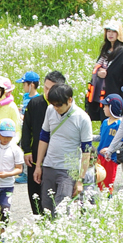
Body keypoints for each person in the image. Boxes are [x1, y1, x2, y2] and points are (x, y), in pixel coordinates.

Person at [34, 82, 93, 215]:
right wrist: (38, 165)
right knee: (47, 207)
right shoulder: (50, 110)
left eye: (59, 105)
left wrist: (80, 180)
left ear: (70, 100)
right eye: (53, 104)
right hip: (49, 165)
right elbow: (44, 137)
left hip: (68, 169)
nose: (56, 108)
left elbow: (86, 150)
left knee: (62, 208)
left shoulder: (82, 118)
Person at [22, 70, 63, 216]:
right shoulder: (35, 103)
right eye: (45, 88)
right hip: (35, 156)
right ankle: (38, 217)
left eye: (51, 89)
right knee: (35, 189)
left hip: (56, 157)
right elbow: (26, 128)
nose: (47, 92)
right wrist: (26, 150)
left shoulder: (64, 106)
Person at [85, 20, 123, 124]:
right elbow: (97, 66)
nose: (110, 34)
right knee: (103, 121)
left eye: (114, 31)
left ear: (118, 34)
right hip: (100, 92)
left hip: (111, 93)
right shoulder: (105, 49)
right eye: (108, 31)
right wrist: (98, 72)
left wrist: (106, 74)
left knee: (110, 122)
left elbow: (119, 75)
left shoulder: (122, 52)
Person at [0, 119, 23, 221]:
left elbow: (19, 169)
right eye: (4, 136)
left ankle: (3, 233)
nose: (6, 139)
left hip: (7, 185)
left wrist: (8, 174)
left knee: (5, 210)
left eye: (9, 137)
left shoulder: (16, 149)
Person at [95, 94, 122, 192]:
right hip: (100, 156)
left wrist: (110, 149)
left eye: (106, 106)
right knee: (98, 179)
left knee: (108, 182)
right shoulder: (105, 122)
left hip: (110, 158)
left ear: (112, 108)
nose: (103, 108)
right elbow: (101, 137)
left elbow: (121, 142)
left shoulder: (120, 124)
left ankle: (108, 199)